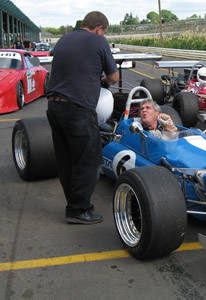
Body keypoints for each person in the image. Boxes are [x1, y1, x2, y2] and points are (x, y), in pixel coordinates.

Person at [46, 11, 119, 225]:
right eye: (103, 32)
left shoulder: (64, 39)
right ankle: (79, 209)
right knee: (90, 160)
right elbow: (114, 77)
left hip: (54, 107)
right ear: (100, 29)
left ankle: (73, 205)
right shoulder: (98, 41)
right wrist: (103, 79)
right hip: (77, 109)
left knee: (66, 159)